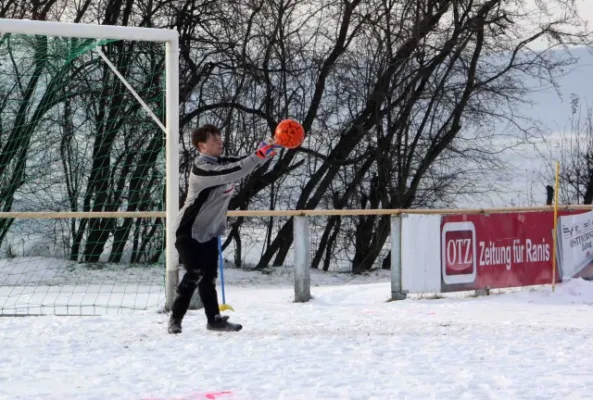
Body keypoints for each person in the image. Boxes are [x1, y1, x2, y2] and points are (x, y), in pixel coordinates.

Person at [168, 124, 279, 334]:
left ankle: (214, 320)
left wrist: (271, 146)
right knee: (195, 272)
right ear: (202, 146)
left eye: (221, 138)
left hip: (209, 231)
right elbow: (236, 170)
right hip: (188, 230)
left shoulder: (220, 162)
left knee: (208, 277)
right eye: (215, 140)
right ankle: (175, 318)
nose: (221, 143)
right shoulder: (203, 168)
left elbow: (245, 161)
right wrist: (259, 154)